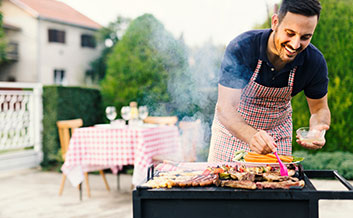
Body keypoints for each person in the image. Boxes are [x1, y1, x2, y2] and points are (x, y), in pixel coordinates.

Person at [208, 0, 331, 162]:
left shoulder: (314, 62)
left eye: (305, 37)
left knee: (278, 185)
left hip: (277, 137)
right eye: (290, 33)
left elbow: (319, 110)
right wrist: (252, 136)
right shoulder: (243, 47)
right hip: (233, 133)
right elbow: (225, 108)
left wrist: (318, 129)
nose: (295, 44)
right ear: (275, 22)